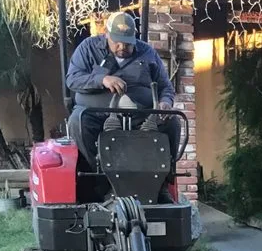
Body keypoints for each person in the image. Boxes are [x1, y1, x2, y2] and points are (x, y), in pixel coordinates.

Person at [66, 12, 179, 172]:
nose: (122, 47)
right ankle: (96, 178)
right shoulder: (88, 48)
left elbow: (165, 87)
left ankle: (163, 180)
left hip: (140, 116)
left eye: (128, 43)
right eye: (117, 42)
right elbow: (73, 79)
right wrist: (102, 80)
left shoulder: (148, 53)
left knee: (172, 122)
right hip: (96, 114)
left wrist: (165, 102)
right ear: (107, 34)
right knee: (77, 121)